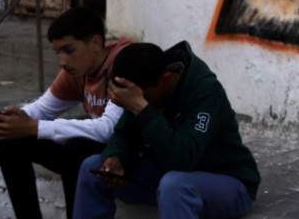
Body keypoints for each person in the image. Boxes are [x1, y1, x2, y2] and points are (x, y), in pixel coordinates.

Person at [76, 42, 261, 219]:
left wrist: (143, 110)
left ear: (165, 77)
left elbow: (184, 159)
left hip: (228, 183)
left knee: (175, 185)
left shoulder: (205, 91)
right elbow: (125, 134)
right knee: (90, 167)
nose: (142, 103)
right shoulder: (144, 82)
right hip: (166, 175)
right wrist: (115, 158)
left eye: (145, 97)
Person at [0, 7, 130, 219]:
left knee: (76, 149)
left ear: (95, 43)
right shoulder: (76, 71)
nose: (61, 62)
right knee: (9, 139)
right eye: (58, 53)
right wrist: (14, 118)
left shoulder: (124, 64)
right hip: (98, 152)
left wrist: (34, 126)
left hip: (128, 158)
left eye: (69, 51)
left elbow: (108, 130)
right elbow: (43, 108)